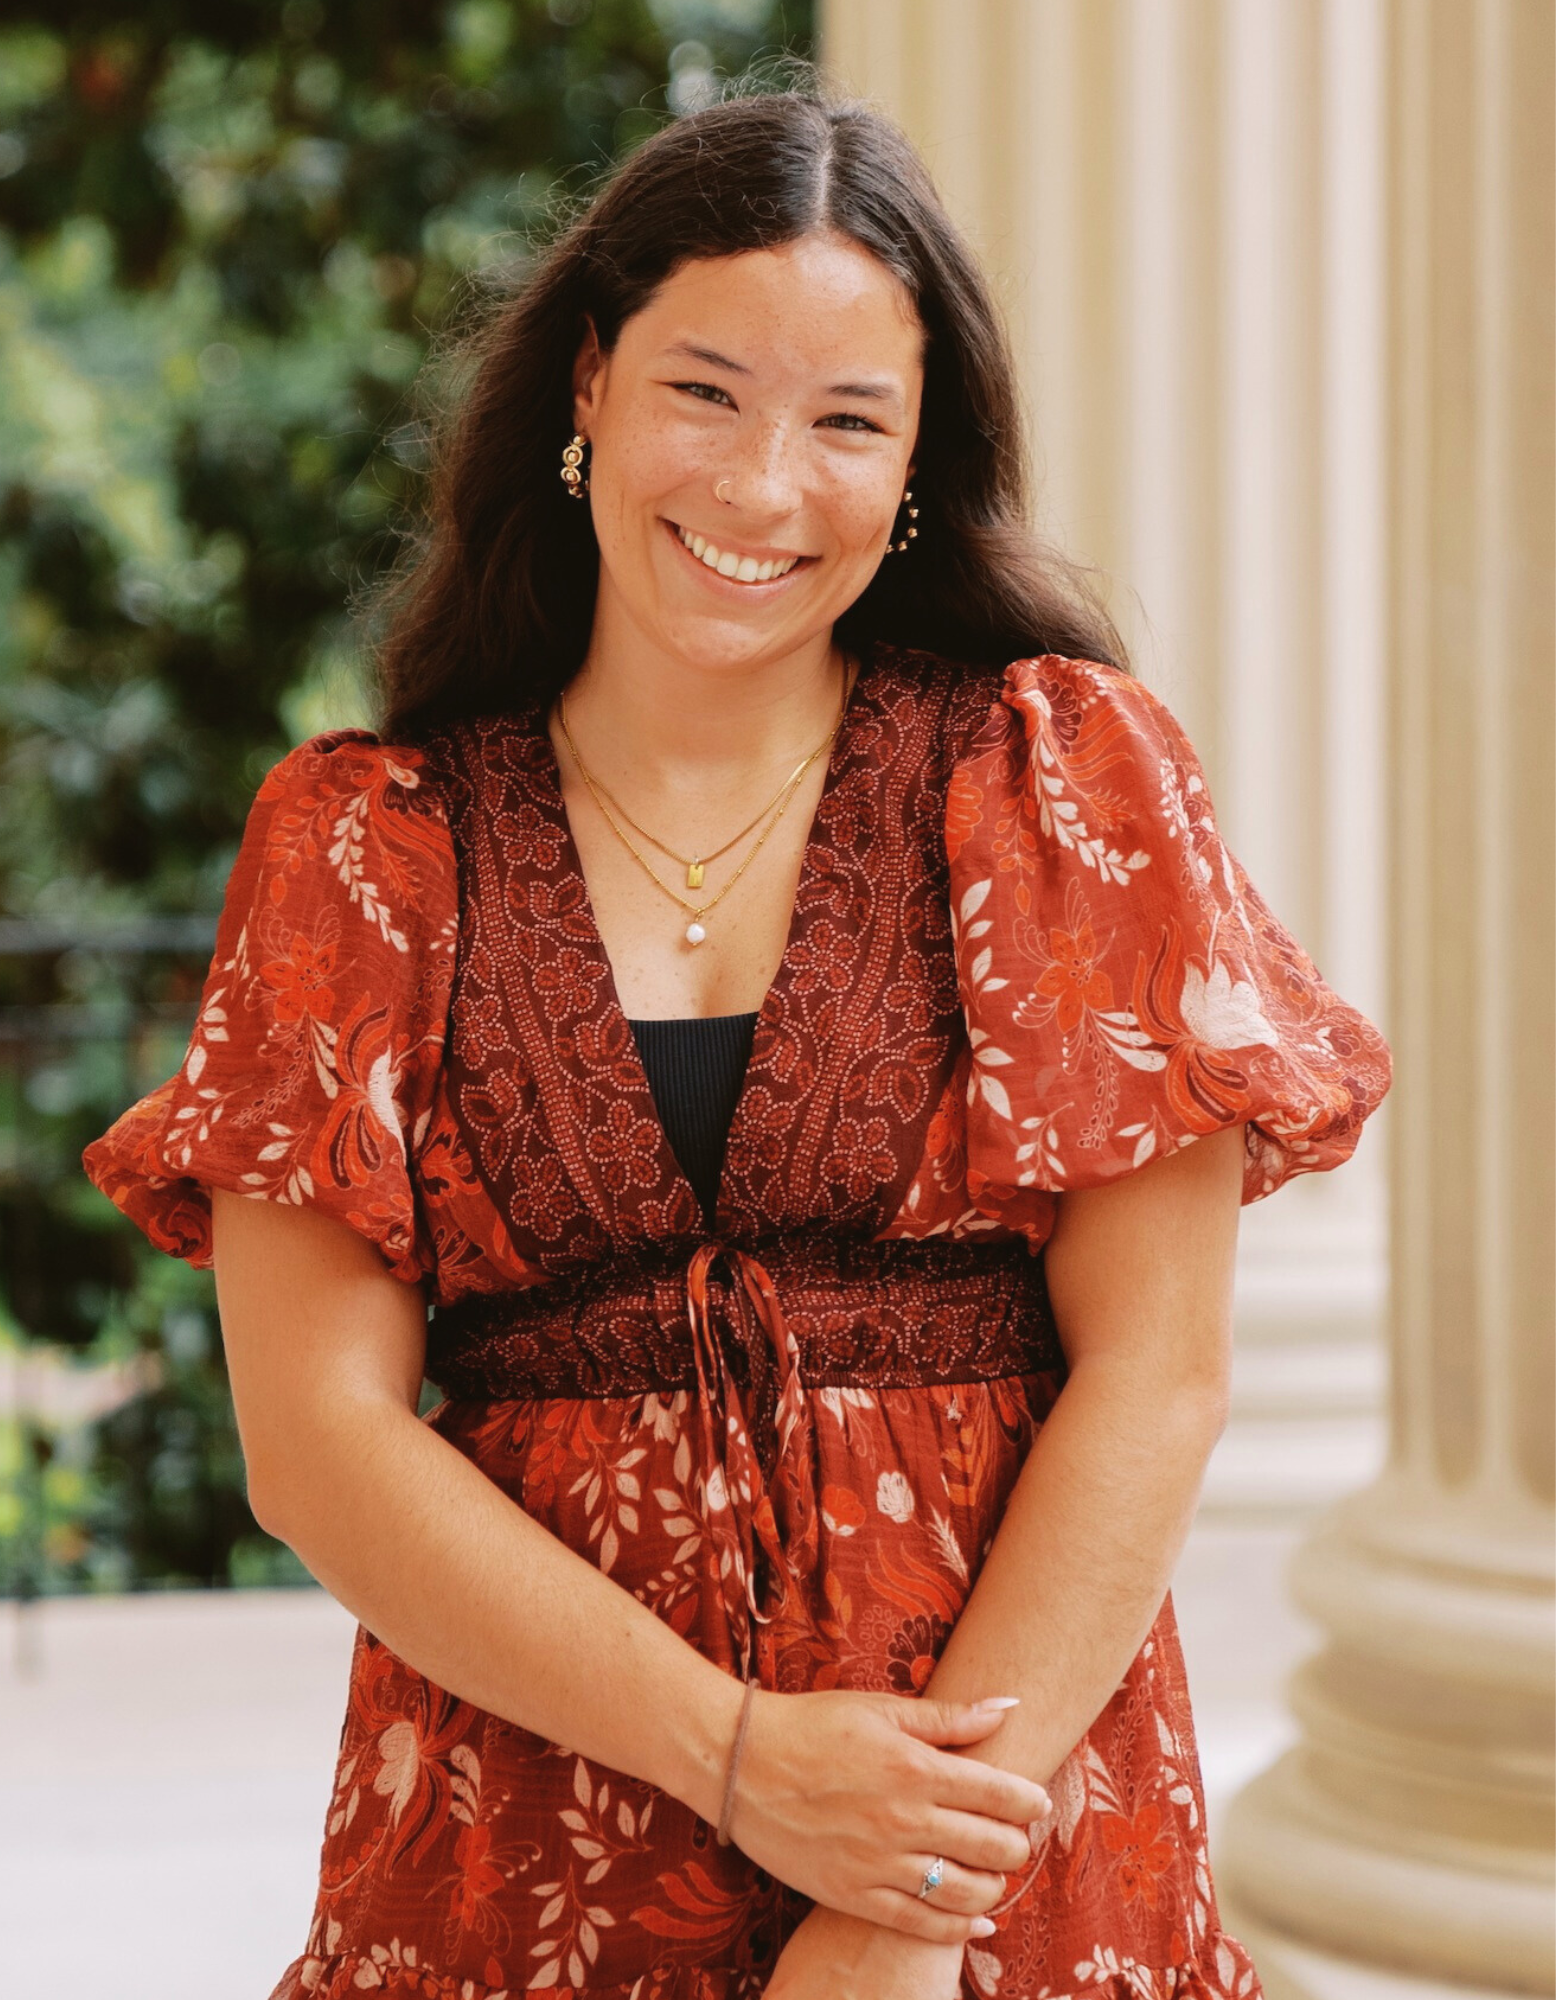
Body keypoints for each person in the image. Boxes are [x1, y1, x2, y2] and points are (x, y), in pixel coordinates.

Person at [83, 78, 1391, 2000]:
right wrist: (736, 1758)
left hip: (992, 1842)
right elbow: (320, 1440)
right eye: (706, 390)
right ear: (590, 387)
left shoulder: (1058, 781)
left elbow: (1157, 1380)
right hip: (522, 1837)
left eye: (849, 420)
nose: (767, 488)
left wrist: (889, 1905)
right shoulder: (363, 846)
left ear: (922, 461)